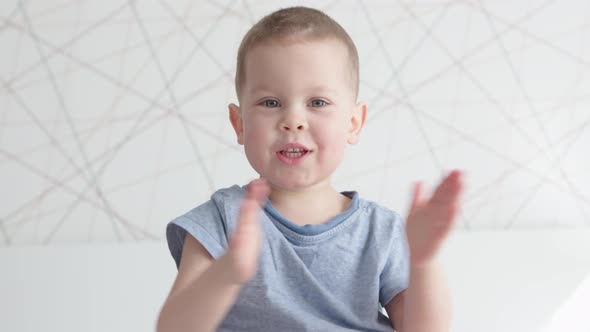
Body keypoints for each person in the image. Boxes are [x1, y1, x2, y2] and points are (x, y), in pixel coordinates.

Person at [157, 6, 463, 332]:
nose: (293, 120)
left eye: (317, 102)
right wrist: (227, 272)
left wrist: (423, 261)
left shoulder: (382, 231)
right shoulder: (221, 220)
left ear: (353, 122)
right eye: (271, 103)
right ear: (239, 123)